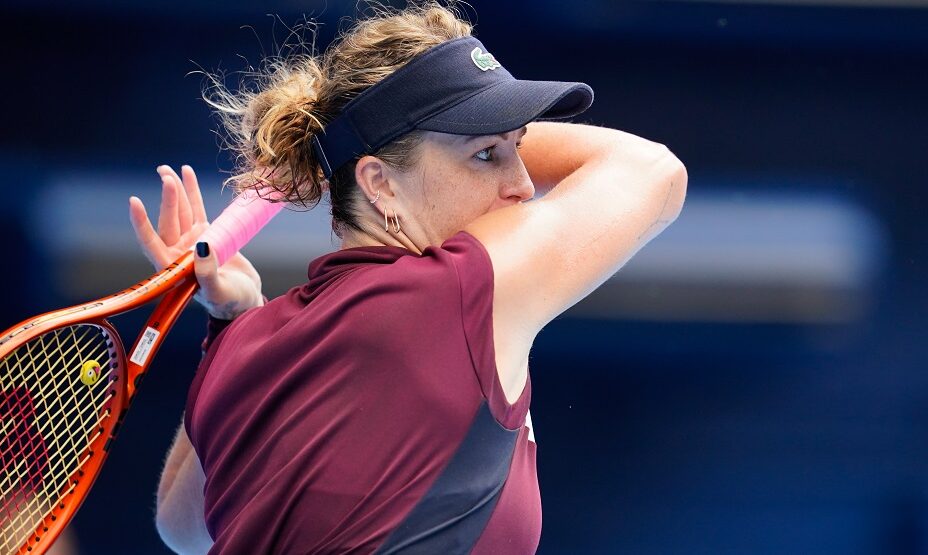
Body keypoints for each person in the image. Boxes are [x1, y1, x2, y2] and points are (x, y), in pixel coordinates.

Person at [130, 3, 687, 554]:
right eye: (486, 155)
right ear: (381, 184)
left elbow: (183, 527)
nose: (523, 185)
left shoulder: (244, 343)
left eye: (518, 149)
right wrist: (337, 148)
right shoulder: (454, 290)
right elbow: (653, 172)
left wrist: (233, 318)